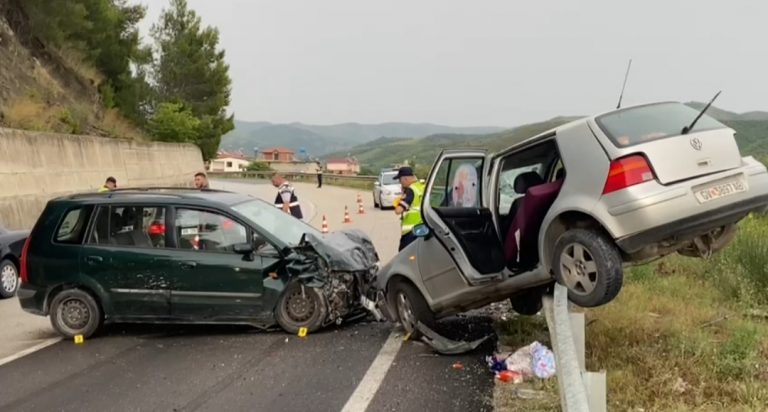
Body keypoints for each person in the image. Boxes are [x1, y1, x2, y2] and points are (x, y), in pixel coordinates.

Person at [393, 166, 425, 251]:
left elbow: (398, 210)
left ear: (405, 179)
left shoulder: (411, 190)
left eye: (400, 180)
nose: (400, 183)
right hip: (423, 228)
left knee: (403, 257)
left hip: (411, 232)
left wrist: (399, 201)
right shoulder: (422, 186)